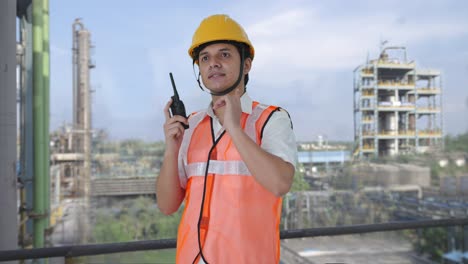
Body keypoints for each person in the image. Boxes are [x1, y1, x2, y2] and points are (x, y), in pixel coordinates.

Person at [156, 14, 297, 264]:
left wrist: (233, 126)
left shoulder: (271, 119)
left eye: (225, 54)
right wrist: (171, 149)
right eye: (205, 58)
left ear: (246, 65)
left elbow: (280, 184)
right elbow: (167, 206)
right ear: (199, 68)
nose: (214, 64)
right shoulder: (191, 126)